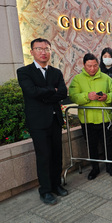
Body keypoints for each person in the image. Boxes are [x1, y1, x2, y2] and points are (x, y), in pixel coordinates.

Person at [17, 38, 68, 205]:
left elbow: (62, 93)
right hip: (38, 122)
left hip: (54, 119)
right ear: (32, 52)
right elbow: (31, 92)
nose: (43, 52)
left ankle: (56, 185)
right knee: (44, 156)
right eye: (39, 49)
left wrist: (45, 93)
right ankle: (45, 190)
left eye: (46, 49)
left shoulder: (56, 72)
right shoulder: (24, 72)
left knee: (56, 154)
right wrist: (50, 91)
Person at [69, 53, 112, 180]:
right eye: (89, 66)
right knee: (91, 145)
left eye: (95, 65)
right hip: (87, 119)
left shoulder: (106, 78)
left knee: (108, 144)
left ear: (98, 64)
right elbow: (73, 96)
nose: (92, 69)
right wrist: (87, 96)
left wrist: (107, 97)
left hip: (105, 118)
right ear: (84, 65)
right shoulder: (77, 79)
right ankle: (94, 168)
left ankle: (110, 167)